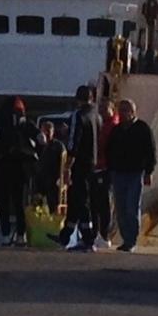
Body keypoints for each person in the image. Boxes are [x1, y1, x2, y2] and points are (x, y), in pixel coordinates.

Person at [106, 98, 157, 252]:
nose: (122, 114)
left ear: (133, 112)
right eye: (120, 110)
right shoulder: (116, 130)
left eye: (125, 110)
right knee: (120, 208)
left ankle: (131, 239)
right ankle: (125, 238)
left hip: (135, 173)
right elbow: (110, 150)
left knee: (132, 207)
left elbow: (150, 151)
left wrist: (149, 171)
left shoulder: (142, 128)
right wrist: (111, 168)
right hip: (118, 173)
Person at [0, 97, 39, 245]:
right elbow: (36, 136)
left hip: (5, 166)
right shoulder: (24, 124)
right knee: (19, 202)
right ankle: (19, 234)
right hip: (20, 167)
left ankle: (6, 233)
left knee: (6, 202)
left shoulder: (0, 123)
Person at [61, 84, 100, 251]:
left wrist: (67, 167)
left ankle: (87, 237)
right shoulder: (96, 116)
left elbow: (73, 143)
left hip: (79, 163)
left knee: (80, 199)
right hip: (92, 163)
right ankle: (66, 234)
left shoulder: (78, 116)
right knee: (78, 199)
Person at [92, 96, 118, 249]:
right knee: (96, 202)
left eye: (104, 108)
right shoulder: (102, 124)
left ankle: (103, 234)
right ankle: (98, 233)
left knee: (103, 203)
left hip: (106, 167)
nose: (101, 111)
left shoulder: (112, 126)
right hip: (99, 167)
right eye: (100, 108)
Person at [33, 118, 67, 217]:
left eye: (49, 131)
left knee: (53, 197)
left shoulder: (58, 146)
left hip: (54, 179)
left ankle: (54, 216)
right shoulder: (38, 145)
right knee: (37, 197)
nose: (47, 134)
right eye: (44, 131)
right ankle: (38, 217)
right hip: (41, 178)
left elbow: (63, 162)